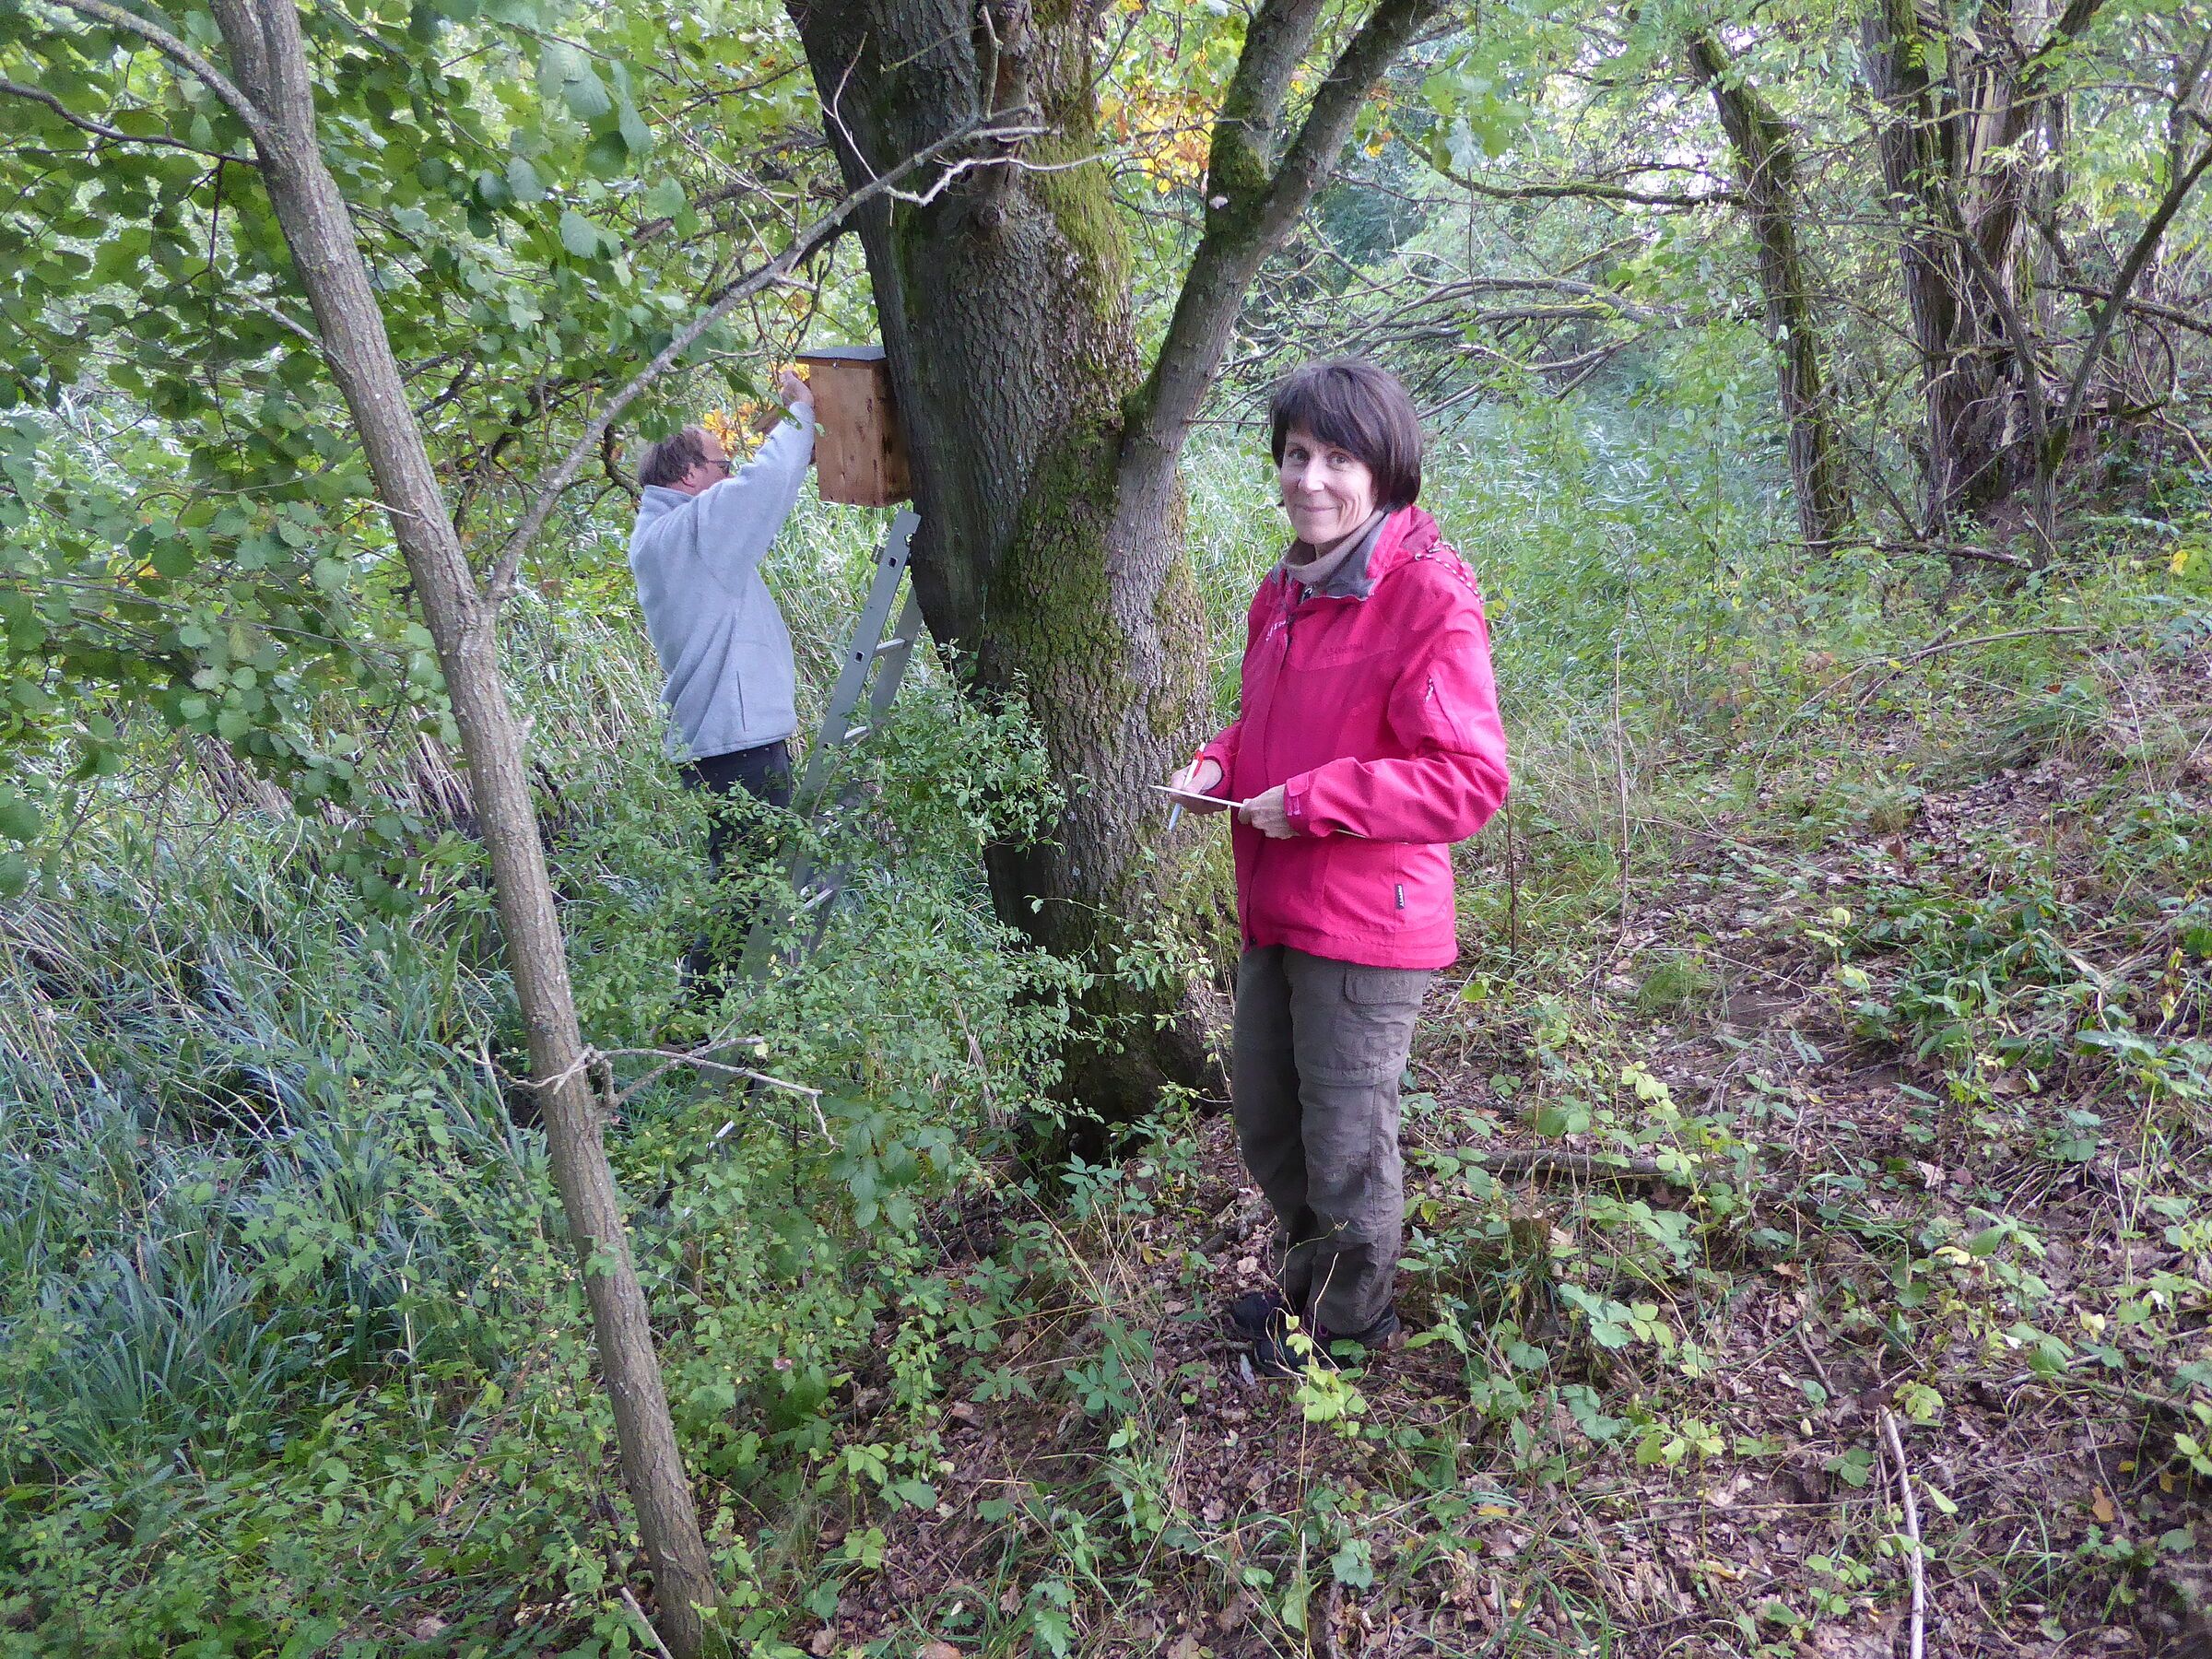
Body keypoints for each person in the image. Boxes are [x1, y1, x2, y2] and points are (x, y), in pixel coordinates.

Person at [1167, 358, 1510, 1376]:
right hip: (1277, 903)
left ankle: (1348, 1327)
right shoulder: (1286, 588)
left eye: (1337, 459)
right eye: (1295, 454)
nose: (1309, 478)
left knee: (1348, 1144)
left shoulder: (1427, 597)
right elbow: (1271, 726)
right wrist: (1218, 763)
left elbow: (1468, 780)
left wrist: (1316, 801)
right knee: (1270, 1122)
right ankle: (1308, 1286)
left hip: (1367, 921)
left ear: (1385, 469)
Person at [629, 370, 816, 979]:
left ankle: (721, 1013)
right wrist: (800, 413)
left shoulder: (667, 534)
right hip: (736, 745)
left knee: (747, 890)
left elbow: (758, 495)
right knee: (747, 898)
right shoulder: (688, 531)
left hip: (727, 742)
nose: (728, 474)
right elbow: (761, 489)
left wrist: (799, 447)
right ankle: (701, 1016)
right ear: (689, 475)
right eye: (720, 464)